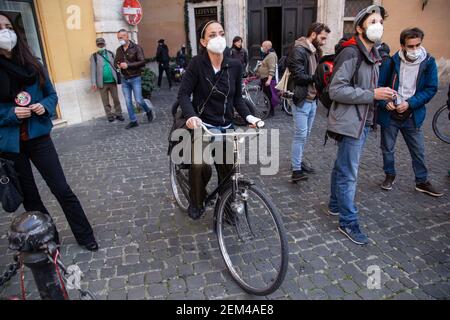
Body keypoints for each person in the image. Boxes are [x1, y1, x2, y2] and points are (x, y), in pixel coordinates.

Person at [0, 12, 98, 251]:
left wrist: (42, 106)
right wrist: (11, 114)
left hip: (39, 138)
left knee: (61, 188)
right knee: (31, 198)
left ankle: (85, 235)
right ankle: (47, 238)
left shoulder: (34, 64)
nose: (5, 32)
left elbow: (52, 96)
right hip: (12, 145)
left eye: (7, 26)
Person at [326, 5, 396, 245]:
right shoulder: (351, 53)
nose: (378, 25)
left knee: (342, 166)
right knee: (349, 173)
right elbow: (336, 90)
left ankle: (335, 205)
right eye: (372, 21)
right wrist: (372, 94)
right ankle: (348, 221)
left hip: (362, 121)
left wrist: (382, 96)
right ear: (359, 28)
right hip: (350, 122)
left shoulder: (373, 54)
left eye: (380, 21)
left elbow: (370, 89)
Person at [178, 20, 261, 220]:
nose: (218, 38)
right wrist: (191, 116)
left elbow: (237, 98)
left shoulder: (234, 65)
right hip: (203, 125)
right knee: (200, 166)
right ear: (203, 42)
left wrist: (250, 116)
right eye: (212, 35)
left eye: (221, 33)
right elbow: (183, 95)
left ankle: (227, 207)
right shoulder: (197, 64)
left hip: (226, 126)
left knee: (229, 171)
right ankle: (196, 201)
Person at [377, 28, 443, 197]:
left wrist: (410, 103)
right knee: (387, 148)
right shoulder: (391, 62)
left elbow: (431, 88)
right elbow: (379, 86)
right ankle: (389, 175)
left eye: (418, 45)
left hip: (412, 114)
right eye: (410, 46)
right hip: (391, 115)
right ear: (402, 45)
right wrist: (386, 103)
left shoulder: (428, 62)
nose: (415, 49)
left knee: (418, 150)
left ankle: (422, 181)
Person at [287, 22, 330, 182]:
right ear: (313, 34)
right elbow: (298, 76)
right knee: (300, 135)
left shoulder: (315, 51)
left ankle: (298, 161)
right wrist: (319, 78)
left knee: (306, 134)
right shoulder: (298, 50)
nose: (324, 41)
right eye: (322, 38)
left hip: (313, 99)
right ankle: (296, 170)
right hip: (302, 99)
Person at [115, 29, 155, 129]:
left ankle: (148, 110)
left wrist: (128, 65)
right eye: (119, 38)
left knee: (138, 100)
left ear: (127, 37)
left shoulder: (136, 48)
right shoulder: (119, 50)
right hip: (125, 79)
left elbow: (142, 61)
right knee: (128, 102)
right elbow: (116, 62)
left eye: (122, 37)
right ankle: (133, 121)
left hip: (135, 77)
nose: (120, 39)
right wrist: (118, 65)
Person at [90, 37, 124, 123]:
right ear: (97, 45)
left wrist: (120, 75)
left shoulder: (111, 53)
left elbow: (117, 65)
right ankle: (109, 115)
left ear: (105, 44)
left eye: (102, 44)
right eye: (99, 44)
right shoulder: (94, 56)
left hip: (112, 81)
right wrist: (93, 83)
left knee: (116, 99)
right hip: (102, 83)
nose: (101, 46)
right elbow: (93, 70)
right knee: (105, 101)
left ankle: (119, 114)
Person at [256, 41, 279, 117]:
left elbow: (272, 68)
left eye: (263, 46)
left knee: (269, 96)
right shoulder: (268, 54)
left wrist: (269, 80)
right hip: (264, 78)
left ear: (267, 47)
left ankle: (270, 112)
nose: (261, 48)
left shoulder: (271, 55)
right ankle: (268, 110)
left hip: (267, 79)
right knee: (266, 95)